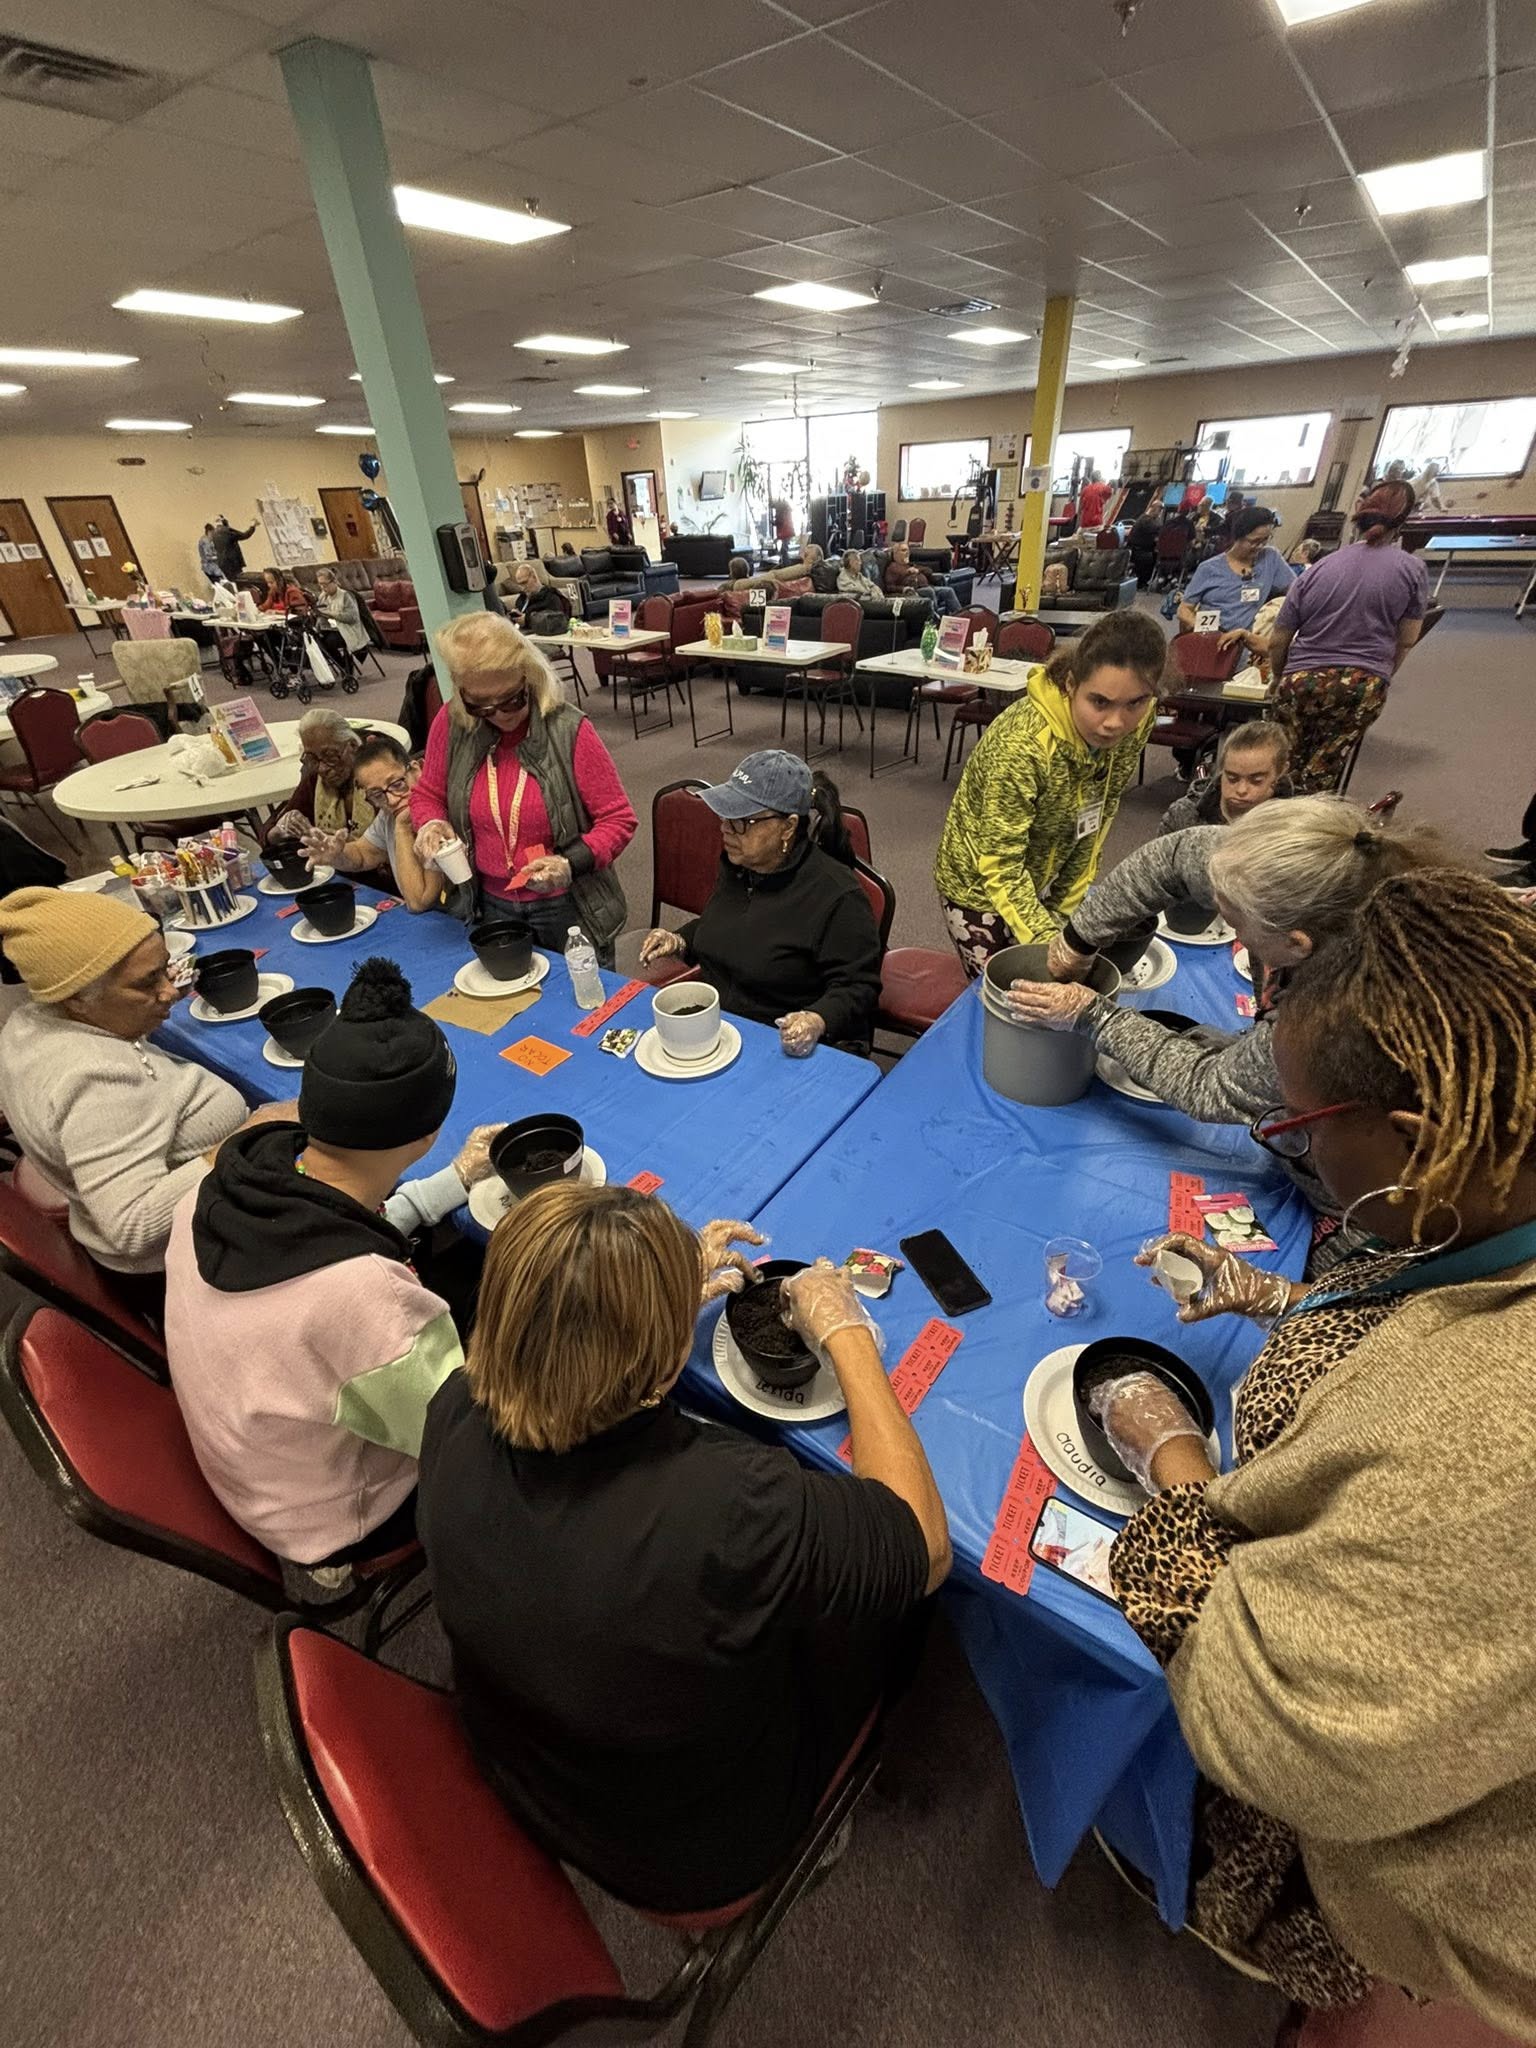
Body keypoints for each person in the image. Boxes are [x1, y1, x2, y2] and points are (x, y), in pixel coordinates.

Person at [1094, 868, 1536, 2045]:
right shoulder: (1485, 1206)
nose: (1283, 1145)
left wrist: (1175, 1460)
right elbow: (1419, 1308)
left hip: (1392, 1851)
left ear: (1417, 1139)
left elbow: (1283, 1730)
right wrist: (1285, 1299)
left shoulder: (1490, 1443)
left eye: (1293, 1129)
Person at [419, 1186, 949, 1915]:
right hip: (683, 1848)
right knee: (912, 1615)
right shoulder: (729, 1506)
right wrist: (845, 1332)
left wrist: (647, 1292)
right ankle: (822, 1825)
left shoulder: (453, 1405)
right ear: (667, 1357)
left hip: (521, 1757)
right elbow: (922, 1544)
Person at [165, 958, 503, 1568]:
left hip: (256, 1463)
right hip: (332, 1516)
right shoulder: (370, 1301)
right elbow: (480, 1439)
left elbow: (325, 1232)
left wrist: (450, 1183)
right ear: (428, 1134)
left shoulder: (216, 1187)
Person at [1005, 796, 1451, 1167]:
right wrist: (1078, 940)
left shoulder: (1334, 1021)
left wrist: (1094, 1016)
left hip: (1367, 1184)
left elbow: (1210, 1086)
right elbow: (1174, 859)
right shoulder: (1294, 869)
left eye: (1234, 920)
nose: (1227, 925)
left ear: (1297, 945)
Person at [0, 888, 272, 1291]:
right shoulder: (96, 1080)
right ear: (76, 998)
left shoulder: (31, 1022)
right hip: (196, 1263)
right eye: (147, 982)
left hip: (127, 1234)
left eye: (165, 969)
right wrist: (248, 1136)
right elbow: (133, 1227)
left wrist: (152, 996)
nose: (167, 990)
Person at [933, 609, 1166, 972]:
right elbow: (1001, 864)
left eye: (1135, 703)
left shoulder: (1139, 721)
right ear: (1071, 684)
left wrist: (1065, 912)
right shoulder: (1023, 746)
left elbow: (1100, 813)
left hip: (1041, 867)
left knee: (1055, 976)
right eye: (1099, 702)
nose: (1115, 723)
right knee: (1007, 1000)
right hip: (977, 886)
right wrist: (1053, 943)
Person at [409, 612, 636, 964]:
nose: (499, 714)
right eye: (480, 704)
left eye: (511, 700)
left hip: (568, 908)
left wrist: (568, 863)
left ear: (528, 676)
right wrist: (430, 822)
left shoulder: (568, 729)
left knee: (585, 1006)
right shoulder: (453, 722)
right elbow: (428, 794)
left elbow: (619, 820)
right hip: (487, 902)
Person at [637, 751, 881, 1058]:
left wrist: (816, 1019)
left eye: (743, 821)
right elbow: (735, 925)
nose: (725, 828)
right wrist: (681, 938)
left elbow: (858, 988)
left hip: (782, 1042)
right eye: (725, 816)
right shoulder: (741, 866)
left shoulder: (837, 896)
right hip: (722, 1029)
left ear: (788, 827)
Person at [1265, 482, 1428, 794]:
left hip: (1300, 680)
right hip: (1362, 683)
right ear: (1403, 520)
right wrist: (1379, 674)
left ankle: (1275, 821)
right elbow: (1407, 639)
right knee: (1323, 766)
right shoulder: (1413, 569)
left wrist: (1277, 677)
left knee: (1284, 762)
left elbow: (1278, 639)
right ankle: (1311, 828)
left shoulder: (1318, 569)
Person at [299, 735, 443, 913]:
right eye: (376, 795)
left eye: (397, 784)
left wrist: (403, 828)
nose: (391, 800)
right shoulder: (389, 815)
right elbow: (363, 855)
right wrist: (337, 854)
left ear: (416, 770)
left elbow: (419, 902)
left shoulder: (437, 816)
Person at [1177, 506, 1294, 655]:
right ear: (1238, 537)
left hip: (1248, 646)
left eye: (1266, 539)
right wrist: (1205, 631)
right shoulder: (1209, 568)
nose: (1260, 546)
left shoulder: (1270, 558)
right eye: (1254, 541)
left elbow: (1296, 591)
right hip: (1213, 644)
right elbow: (1184, 609)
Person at [1158, 719, 1293, 833]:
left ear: (1281, 771)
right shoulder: (1183, 816)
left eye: (1256, 781)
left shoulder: (1297, 825)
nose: (1241, 790)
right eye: (1232, 778)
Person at [265, 707, 372, 844]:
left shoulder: (377, 780)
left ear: (352, 746)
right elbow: (271, 829)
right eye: (312, 758)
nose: (322, 768)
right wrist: (281, 829)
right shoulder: (315, 778)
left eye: (330, 756)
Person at [883, 540, 959, 615]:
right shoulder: (892, 568)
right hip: (914, 591)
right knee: (929, 591)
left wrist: (917, 570)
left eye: (908, 551)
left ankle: (960, 615)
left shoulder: (911, 565)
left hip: (928, 586)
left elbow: (929, 571)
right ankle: (935, 619)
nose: (907, 553)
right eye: (903, 550)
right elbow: (890, 587)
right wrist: (904, 588)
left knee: (948, 591)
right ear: (895, 553)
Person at [503, 560, 573, 637]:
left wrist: (527, 620)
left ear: (534, 577)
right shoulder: (522, 598)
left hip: (543, 638)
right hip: (525, 635)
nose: (523, 588)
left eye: (524, 583)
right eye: (520, 584)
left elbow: (556, 623)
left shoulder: (551, 597)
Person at [314, 566, 370, 658]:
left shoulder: (345, 596)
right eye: (320, 584)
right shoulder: (323, 596)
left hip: (349, 630)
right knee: (315, 641)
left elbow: (352, 618)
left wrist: (330, 614)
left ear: (334, 582)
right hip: (331, 629)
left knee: (328, 643)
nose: (323, 587)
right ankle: (342, 664)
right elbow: (320, 613)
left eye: (325, 584)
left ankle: (344, 664)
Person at [212, 513, 258, 580]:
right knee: (240, 580)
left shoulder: (214, 533)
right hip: (232, 563)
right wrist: (253, 526)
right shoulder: (227, 530)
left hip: (222, 564)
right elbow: (244, 535)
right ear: (222, 520)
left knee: (232, 581)